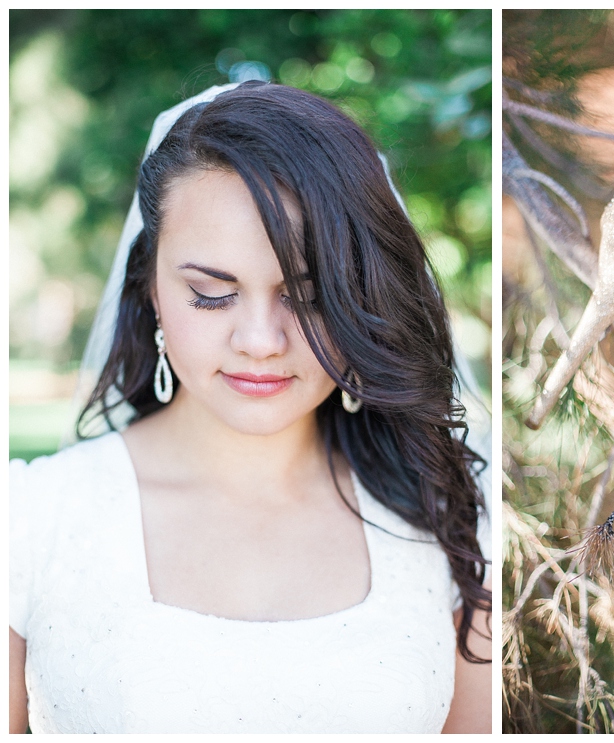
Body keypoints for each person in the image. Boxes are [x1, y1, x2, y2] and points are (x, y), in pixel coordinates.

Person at [9, 81, 491, 734]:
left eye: (311, 296)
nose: (261, 341)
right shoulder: (32, 518)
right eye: (212, 293)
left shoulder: (454, 517)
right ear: (149, 288)